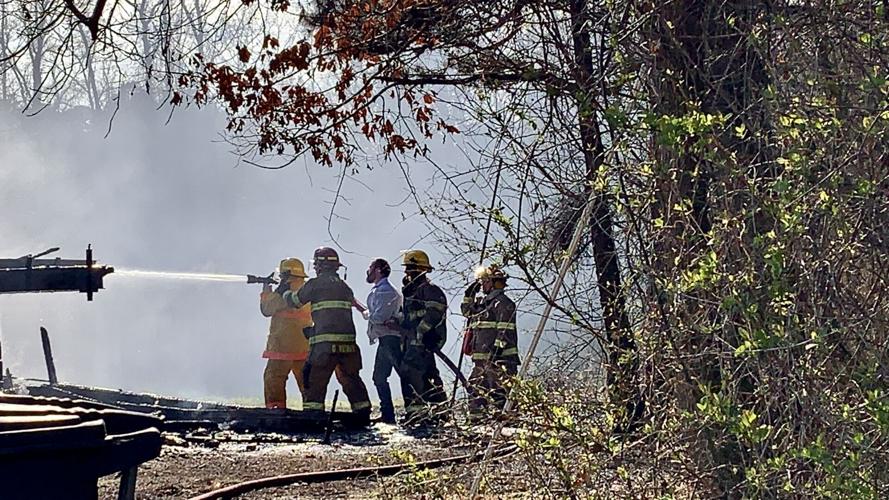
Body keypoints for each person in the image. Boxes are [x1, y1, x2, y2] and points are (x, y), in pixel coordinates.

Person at [278, 247, 371, 426]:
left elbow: (295, 302)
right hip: (349, 345)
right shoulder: (344, 287)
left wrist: (284, 290)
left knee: (313, 380)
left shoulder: (315, 284)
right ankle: (362, 414)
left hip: (324, 346)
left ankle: (313, 418)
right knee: (351, 379)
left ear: (320, 265)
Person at [461, 264, 519, 418]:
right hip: (481, 362)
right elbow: (467, 312)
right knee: (475, 391)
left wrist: (497, 350)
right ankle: (476, 424)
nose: (482, 285)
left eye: (485, 282)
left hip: (500, 362)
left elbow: (505, 330)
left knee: (503, 396)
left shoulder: (503, 303)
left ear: (494, 283)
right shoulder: (482, 304)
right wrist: (469, 296)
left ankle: (508, 426)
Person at [399, 249, 448, 424]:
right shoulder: (412, 291)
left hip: (423, 340)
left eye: (409, 268)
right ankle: (440, 410)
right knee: (428, 374)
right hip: (414, 340)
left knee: (409, 372)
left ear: (419, 269)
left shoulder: (429, 290)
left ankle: (416, 414)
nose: (406, 272)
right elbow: (410, 315)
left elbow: (435, 313)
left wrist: (421, 332)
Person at [259, 258, 311, 409]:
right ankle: (311, 411)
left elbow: (266, 309)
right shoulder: (307, 289)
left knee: (273, 378)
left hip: (281, 346)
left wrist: (267, 291)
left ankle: (276, 410)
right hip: (304, 345)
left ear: (286, 275)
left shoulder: (283, 292)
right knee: (307, 382)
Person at [364, 258, 403, 424]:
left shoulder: (386, 291)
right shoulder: (379, 290)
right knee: (379, 377)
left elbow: (379, 317)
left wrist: (365, 313)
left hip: (390, 340)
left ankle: (407, 411)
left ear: (378, 270)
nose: (368, 271)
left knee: (402, 374)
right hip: (384, 339)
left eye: (371, 267)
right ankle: (387, 414)